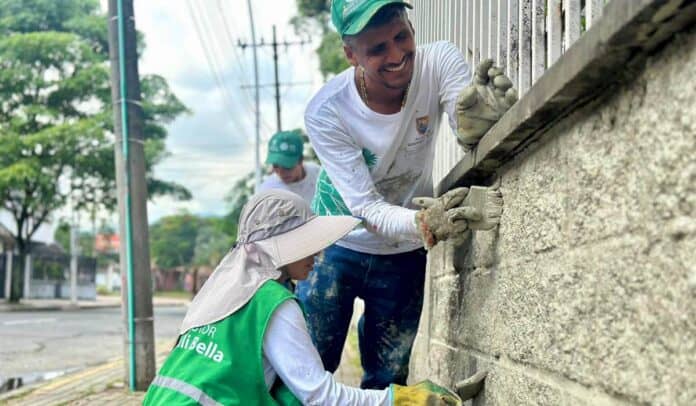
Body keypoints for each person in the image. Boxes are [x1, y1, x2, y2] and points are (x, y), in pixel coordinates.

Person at [298, 0, 516, 390]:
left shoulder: (440, 61)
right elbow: (364, 207)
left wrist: (478, 123)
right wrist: (421, 222)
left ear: (411, 26)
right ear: (351, 55)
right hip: (334, 246)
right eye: (377, 49)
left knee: (388, 378)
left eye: (401, 36)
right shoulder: (327, 111)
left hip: (402, 255)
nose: (397, 55)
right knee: (308, 370)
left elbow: (464, 125)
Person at [142, 189, 462, 406]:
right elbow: (320, 396)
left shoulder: (222, 290)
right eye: (306, 241)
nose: (318, 251)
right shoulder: (273, 302)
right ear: (282, 245)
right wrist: (402, 399)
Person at [258, 130, 321, 205]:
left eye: (287, 166)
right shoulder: (268, 191)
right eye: (276, 166)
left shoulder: (317, 174)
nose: (281, 172)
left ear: (300, 160)